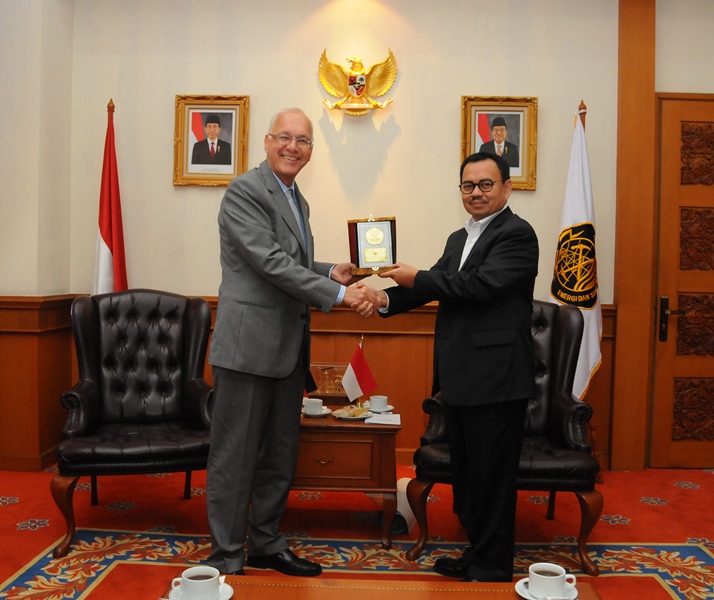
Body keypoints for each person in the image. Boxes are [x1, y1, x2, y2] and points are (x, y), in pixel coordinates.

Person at [206, 107, 378, 577]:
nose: (293, 147)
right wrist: (340, 295)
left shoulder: (295, 198)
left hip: (286, 349)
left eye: (303, 141)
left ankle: (265, 543)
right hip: (248, 349)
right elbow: (269, 262)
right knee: (235, 459)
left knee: (278, 457)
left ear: (311, 151)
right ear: (266, 141)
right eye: (285, 137)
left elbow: (291, 261)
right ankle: (226, 556)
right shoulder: (245, 190)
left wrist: (329, 271)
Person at [369, 152, 538, 582]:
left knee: (492, 477)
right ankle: (476, 552)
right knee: (468, 474)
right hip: (461, 377)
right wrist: (383, 299)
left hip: (497, 378)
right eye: (468, 185)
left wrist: (416, 276)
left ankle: (492, 565)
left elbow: (478, 285)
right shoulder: (458, 238)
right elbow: (434, 286)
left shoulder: (517, 234)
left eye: (485, 184)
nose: (476, 192)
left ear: (506, 188)